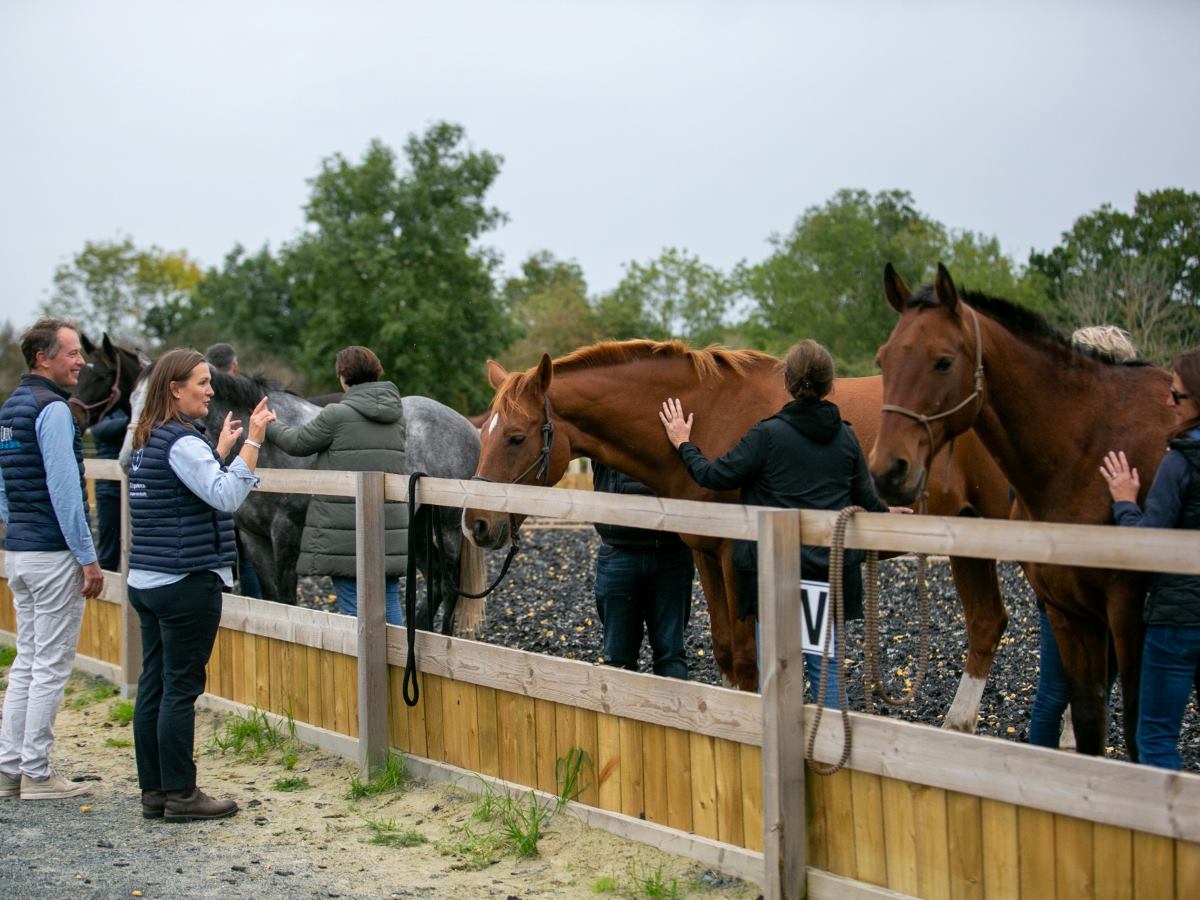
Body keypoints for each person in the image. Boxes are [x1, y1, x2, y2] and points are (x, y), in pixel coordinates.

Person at [659, 339, 904, 706]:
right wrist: (889, 517)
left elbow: (712, 476)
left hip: (775, 577)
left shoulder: (766, 436)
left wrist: (683, 443)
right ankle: (830, 750)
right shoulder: (847, 437)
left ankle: (772, 753)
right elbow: (867, 500)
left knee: (774, 667)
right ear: (829, 386)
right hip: (824, 573)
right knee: (827, 668)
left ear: (786, 381)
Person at [127, 348, 275, 820]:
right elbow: (227, 497)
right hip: (185, 582)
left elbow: (182, 491)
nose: (210, 391)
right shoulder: (182, 443)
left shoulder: (148, 440)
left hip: (148, 580)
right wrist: (253, 441)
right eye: (201, 383)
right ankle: (182, 794)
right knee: (180, 688)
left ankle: (154, 791)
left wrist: (220, 453)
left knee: (153, 684)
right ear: (174, 389)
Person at [0, 318, 104, 801]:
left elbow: (2, 489)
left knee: (27, 661)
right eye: (73, 352)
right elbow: (67, 493)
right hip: (53, 553)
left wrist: (16, 526)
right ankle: (38, 773)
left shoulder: (10, 407)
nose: (81, 361)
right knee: (51, 665)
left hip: (19, 552)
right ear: (44, 358)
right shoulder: (53, 409)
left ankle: (8, 767)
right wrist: (87, 558)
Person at [1028, 325, 1138, 748]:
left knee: (1067, 695)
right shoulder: (1062, 442)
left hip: (1090, 591)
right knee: (1062, 694)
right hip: (1076, 593)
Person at [1101, 348, 1200, 770]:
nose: (1167, 402)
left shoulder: (1180, 464)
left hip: (1177, 622)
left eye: (1175, 395)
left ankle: (1165, 836)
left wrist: (1125, 501)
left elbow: (1145, 545)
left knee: (1156, 737)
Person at [266, 346, 408, 626]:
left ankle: (365, 669)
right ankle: (397, 665)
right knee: (389, 598)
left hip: (347, 529)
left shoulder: (337, 415)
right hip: (387, 526)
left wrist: (269, 425)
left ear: (343, 377)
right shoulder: (396, 415)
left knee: (354, 606)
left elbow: (297, 443)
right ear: (377, 371)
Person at [591, 461, 694, 679]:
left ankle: (673, 713)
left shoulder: (680, 427)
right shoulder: (609, 427)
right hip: (620, 551)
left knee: (671, 654)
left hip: (670, 551)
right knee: (619, 659)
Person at [204, 342, 261, 598]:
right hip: (238, 490)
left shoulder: (200, 409)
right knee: (247, 554)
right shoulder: (243, 397)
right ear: (234, 366)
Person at [87, 406, 129, 572]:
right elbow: (100, 430)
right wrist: (133, 421)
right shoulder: (103, 410)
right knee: (109, 544)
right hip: (109, 489)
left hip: (135, 490)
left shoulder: (129, 407)